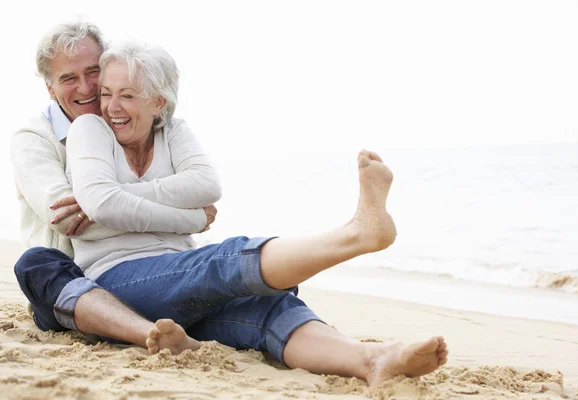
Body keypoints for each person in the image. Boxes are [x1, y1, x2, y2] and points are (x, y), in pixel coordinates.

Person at [64, 39, 449, 386]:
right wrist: (193, 219)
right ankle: (356, 234)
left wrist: (125, 193)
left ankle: (371, 359)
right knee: (219, 262)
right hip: (117, 281)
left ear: (158, 102)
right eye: (107, 93)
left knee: (267, 307)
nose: (112, 106)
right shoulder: (90, 129)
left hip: (179, 277)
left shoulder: (174, 133)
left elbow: (206, 186)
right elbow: (103, 204)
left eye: (127, 95)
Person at [10, 20, 212, 350]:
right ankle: (149, 333)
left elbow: (191, 185)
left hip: (145, 274)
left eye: (93, 72)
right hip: (73, 288)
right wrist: (192, 218)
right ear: (49, 87)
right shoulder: (33, 140)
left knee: (259, 286)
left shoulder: (128, 121)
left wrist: (111, 203)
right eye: (69, 78)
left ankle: (161, 328)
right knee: (36, 263)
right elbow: (68, 220)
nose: (87, 87)